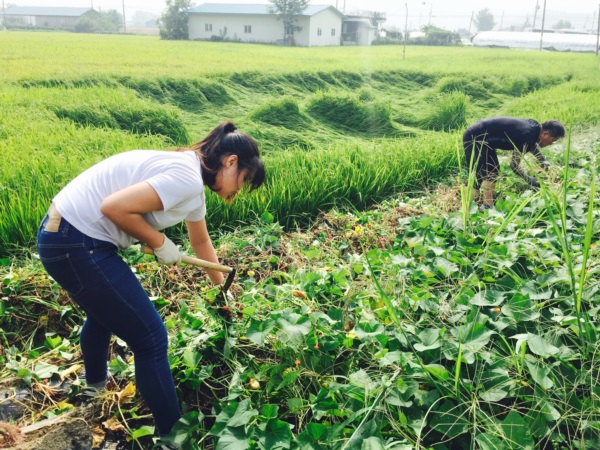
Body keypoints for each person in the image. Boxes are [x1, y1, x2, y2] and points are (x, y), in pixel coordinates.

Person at [36, 121, 265, 444]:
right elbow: (113, 207)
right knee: (152, 340)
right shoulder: (185, 178)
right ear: (230, 162)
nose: (238, 191)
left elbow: (201, 243)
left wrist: (222, 291)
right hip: (75, 242)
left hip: (62, 235)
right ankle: (173, 436)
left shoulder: (190, 181)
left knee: (103, 315)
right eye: (243, 181)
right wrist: (159, 243)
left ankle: (94, 391)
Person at [462, 116, 565, 207]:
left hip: (483, 137)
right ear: (545, 134)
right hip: (475, 137)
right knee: (490, 171)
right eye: (552, 141)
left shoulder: (535, 129)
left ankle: (471, 204)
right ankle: (486, 206)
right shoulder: (528, 135)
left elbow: (531, 145)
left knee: (485, 171)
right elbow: (514, 165)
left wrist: (543, 161)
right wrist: (529, 179)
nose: (550, 144)